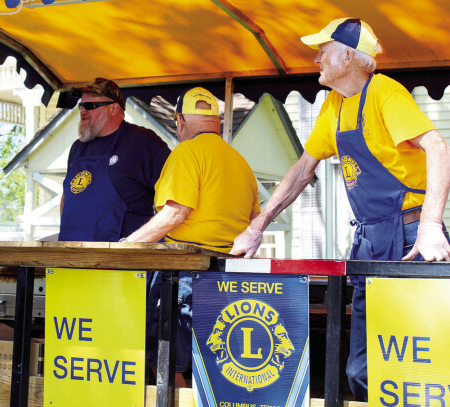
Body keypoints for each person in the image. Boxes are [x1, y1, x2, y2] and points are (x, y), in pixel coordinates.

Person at [230, 18, 450, 401]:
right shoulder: (334, 104)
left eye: (322, 51)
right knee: (362, 369)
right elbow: (302, 170)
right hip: (370, 238)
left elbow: (437, 146)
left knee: (423, 357)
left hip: (412, 235)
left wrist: (431, 224)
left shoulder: (384, 92)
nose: (315, 59)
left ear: (348, 56)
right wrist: (257, 226)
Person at [126, 87, 260, 386]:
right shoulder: (240, 162)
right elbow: (253, 222)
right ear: (216, 121)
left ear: (179, 120)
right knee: (216, 365)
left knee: (168, 363)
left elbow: (175, 213)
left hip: (184, 275)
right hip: (227, 276)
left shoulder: (186, 152)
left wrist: (126, 246)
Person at [58, 77, 170, 242]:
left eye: (90, 106)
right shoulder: (78, 147)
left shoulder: (142, 142)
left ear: (114, 109)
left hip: (121, 260)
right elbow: (67, 198)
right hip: (71, 256)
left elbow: (174, 199)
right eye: (81, 105)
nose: (82, 111)